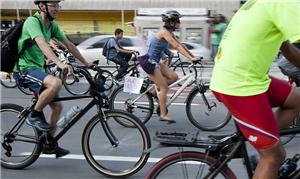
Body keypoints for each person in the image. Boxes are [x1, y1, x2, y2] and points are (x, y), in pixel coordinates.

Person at [209, 1, 300, 178]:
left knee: (295, 100)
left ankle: (264, 146)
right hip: (239, 85)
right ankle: (267, 155)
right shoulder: (285, 3)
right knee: (275, 155)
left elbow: (288, 50)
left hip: (245, 78)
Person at [13, 0, 93, 157]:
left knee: (57, 107)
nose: (57, 9)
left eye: (58, 5)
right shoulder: (32, 22)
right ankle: (34, 114)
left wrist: (86, 63)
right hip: (24, 70)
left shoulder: (52, 25)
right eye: (53, 5)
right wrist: (60, 63)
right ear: (42, 6)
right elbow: (42, 44)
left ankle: (49, 143)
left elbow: (69, 44)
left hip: (38, 70)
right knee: (55, 83)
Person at [138, 10, 198, 123]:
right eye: (177, 21)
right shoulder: (164, 32)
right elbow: (176, 46)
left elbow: (180, 45)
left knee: (174, 77)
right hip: (149, 62)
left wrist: (194, 56)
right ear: (171, 22)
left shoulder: (170, 33)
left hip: (156, 61)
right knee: (165, 87)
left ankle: (155, 92)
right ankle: (163, 114)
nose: (179, 23)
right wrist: (190, 59)